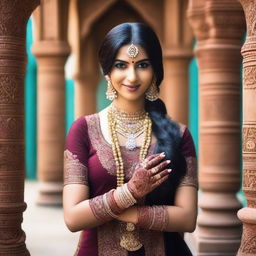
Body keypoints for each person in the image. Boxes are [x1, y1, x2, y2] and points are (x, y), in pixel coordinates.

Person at [63, 22, 198, 256]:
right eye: (121, 65)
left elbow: (187, 219)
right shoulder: (83, 129)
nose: (132, 76)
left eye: (142, 65)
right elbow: (73, 218)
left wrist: (128, 212)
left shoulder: (178, 134)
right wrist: (131, 192)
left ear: (155, 70)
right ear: (107, 71)